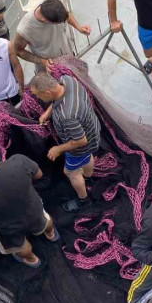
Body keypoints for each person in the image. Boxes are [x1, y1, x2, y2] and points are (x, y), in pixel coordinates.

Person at [0, 138, 59, 268]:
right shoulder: (19, 161)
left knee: (18, 245)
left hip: (7, 227)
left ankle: (31, 259)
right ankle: (51, 233)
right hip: (33, 210)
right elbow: (39, 175)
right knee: (43, 220)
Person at [29, 72, 100, 213]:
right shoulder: (67, 80)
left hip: (80, 146)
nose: (38, 98)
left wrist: (58, 149)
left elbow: (80, 140)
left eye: (38, 95)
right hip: (93, 130)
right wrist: (48, 112)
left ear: (48, 92)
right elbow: (57, 99)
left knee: (70, 172)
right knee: (88, 157)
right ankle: (89, 178)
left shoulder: (67, 115)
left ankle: (83, 200)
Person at [14, 0, 91, 73]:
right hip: (50, 68)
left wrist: (79, 27)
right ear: (45, 21)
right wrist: (43, 61)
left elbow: (66, 15)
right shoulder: (25, 29)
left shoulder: (51, 5)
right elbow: (19, 51)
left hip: (68, 56)